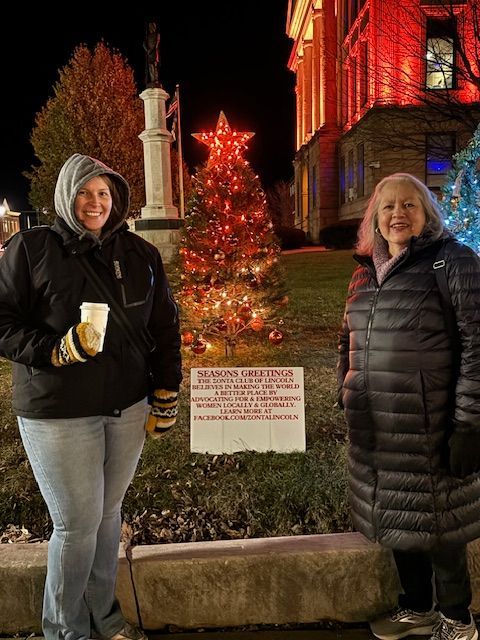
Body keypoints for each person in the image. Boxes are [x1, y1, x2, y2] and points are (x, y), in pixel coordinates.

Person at [0, 154, 182, 640]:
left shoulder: (140, 254)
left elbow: (164, 326)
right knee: (77, 525)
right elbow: (3, 323)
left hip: (126, 407)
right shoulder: (31, 248)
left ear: (116, 198)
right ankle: (65, 631)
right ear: (66, 196)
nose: (94, 202)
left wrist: (167, 388)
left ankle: (106, 617)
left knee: (106, 519)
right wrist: (54, 350)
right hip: (59, 411)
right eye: (84, 192)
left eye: (103, 193)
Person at [337, 173, 480, 640]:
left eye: (409, 205)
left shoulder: (452, 262)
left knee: (441, 524)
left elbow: (477, 345)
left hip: (431, 423)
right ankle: (416, 607)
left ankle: (457, 618)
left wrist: (469, 424)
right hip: (378, 427)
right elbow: (348, 339)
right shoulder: (364, 271)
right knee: (398, 516)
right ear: (375, 219)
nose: (397, 214)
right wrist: (347, 389)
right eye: (387, 207)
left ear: (427, 214)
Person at [144, 21, 160, 87]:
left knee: (155, 66)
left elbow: (157, 43)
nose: (150, 28)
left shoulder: (157, 34)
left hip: (154, 52)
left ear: (154, 28)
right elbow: (143, 44)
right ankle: (152, 80)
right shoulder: (148, 36)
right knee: (150, 66)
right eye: (149, 27)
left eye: (151, 27)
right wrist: (147, 50)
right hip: (149, 53)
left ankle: (156, 80)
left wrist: (151, 50)